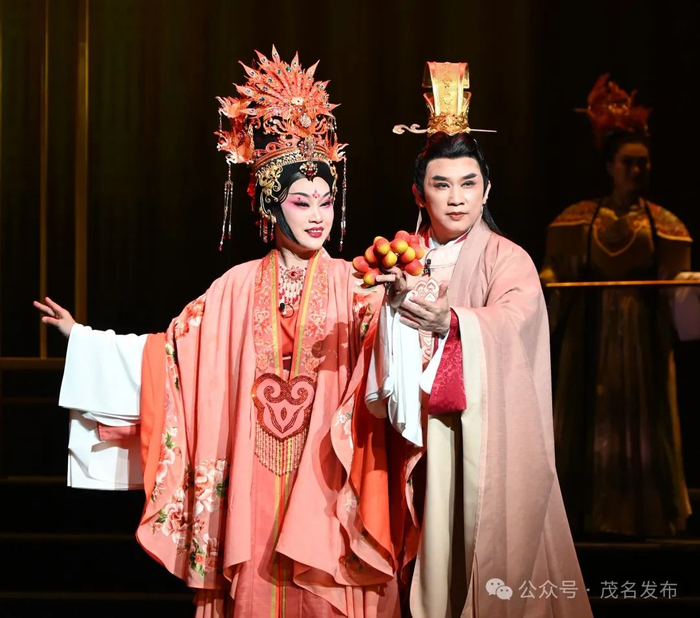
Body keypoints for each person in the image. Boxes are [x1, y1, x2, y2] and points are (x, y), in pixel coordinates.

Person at [35, 47, 399, 618]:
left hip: (328, 470)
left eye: (326, 202)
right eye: (301, 201)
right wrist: (85, 339)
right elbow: (173, 357)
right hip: (250, 472)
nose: (317, 216)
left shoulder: (357, 284)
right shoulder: (233, 286)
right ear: (271, 207)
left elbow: (392, 363)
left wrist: (402, 303)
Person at [338, 62, 593, 618]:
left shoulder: (508, 258)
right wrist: (387, 308)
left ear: (486, 189)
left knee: (477, 545)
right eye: (441, 184)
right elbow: (361, 332)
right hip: (410, 431)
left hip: (474, 428)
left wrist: (452, 324)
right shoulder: (398, 255)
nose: (456, 198)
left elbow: (515, 322)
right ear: (418, 193)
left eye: (468, 184)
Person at [540, 74, 693, 537]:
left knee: (644, 419)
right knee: (588, 416)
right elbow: (556, 276)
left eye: (643, 163)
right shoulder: (578, 219)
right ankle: (583, 515)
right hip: (590, 331)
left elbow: (678, 292)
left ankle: (644, 513)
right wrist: (549, 285)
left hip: (643, 337)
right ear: (610, 166)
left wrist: (684, 289)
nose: (637, 171)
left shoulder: (665, 223)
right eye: (628, 162)